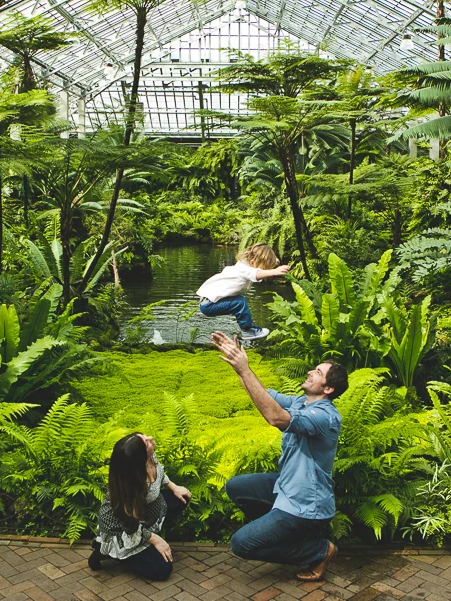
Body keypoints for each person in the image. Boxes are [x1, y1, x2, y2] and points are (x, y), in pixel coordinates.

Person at [211, 331, 348, 582]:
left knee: (241, 544)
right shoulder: (301, 402)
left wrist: (245, 371)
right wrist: (239, 363)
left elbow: (275, 417)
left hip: (307, 506)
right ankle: (279, 531)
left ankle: (317, 550)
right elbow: (263, 394)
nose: (310, 372)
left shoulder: (325, 417)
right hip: (287, 488)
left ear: (328, 388)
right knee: (236, 487)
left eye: (317, 372)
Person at [88, 432, 192, 581]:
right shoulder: (130, 488)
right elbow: (129, 527)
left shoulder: (149, 457)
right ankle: (107, 550)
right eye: (146, 442)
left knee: (181, 498)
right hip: (124, 528)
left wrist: (173, 486)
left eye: (144, 437)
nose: (150, 438)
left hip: (145, 511)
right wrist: (155, 540)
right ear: (139, 459)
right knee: (162, 570)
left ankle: (148, 541)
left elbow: (160, 474)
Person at [197, 243, 290, 340]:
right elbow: (256, 274)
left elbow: (259, 266)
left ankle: (248, 328)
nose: (264, 270)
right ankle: (247, 331)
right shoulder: (243, 270)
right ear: (253, 262)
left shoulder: (243, 265)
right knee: (240, 302)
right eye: (264, 268)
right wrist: (275, 271)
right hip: (209, 305)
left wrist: (274, 261)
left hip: (208, 302)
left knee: (238, 302)